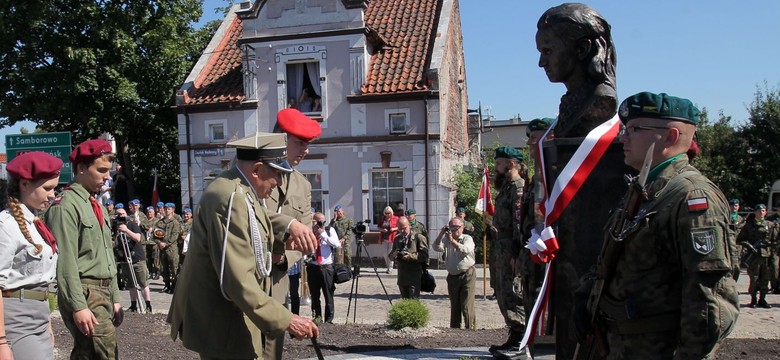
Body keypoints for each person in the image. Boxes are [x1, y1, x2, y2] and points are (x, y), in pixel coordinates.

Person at [578, 92, 739, 358]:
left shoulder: (692, 197)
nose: (622, 138)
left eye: (634, 129)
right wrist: (586, 292)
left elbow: (709, 298)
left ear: (671, 136)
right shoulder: (643, 190)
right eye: (624, 129)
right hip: (621, 345)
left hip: (657, 349)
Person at [168, 132, 319, 359]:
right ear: (257, 169)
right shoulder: (233, 198)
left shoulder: (240, 190)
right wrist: (287, 319)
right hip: (224, 322)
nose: (278, 182)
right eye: (276, 174)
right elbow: (237, 280)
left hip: (230, 317)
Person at [44, 139, 125, 359]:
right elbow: (66, 262)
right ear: (81, 168)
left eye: (109, 171)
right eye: (101, 170)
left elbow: (107, 256)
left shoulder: (95, 204)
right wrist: (78, 306)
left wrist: (115, 298)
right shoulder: (66, 206)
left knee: (87, 354)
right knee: (105, 353)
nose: (107, 177)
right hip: (85, 292)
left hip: (103, 292)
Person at [264, 108, 321, 360]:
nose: (305, 150)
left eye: (307, 144)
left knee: (271, 351)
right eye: (299, 142)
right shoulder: (254, 171)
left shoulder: (302, 184)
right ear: (281, 139)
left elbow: (304, 239)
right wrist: (288, 225)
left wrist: (284, 258)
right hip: (244, 275)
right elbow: (244, 214)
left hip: (277, 281)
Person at [0, 152, 62, 359]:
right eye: (47, 188)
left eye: (54, 188)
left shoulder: (34, 223)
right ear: (25, 184)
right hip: (16, 320)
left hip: (39, 316)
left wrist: (48, 323)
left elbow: (38, 282)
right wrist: (1, 342)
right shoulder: (6, 225)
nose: (53, 194)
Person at [536, 3, 617, 137]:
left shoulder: (601, 100)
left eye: (548, 51)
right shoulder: (573, 101)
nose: (541, 63)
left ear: (581, 49)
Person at [488, 146, 527, 354]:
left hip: (510, 247)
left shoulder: (518, 188)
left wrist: (516, 253)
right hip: (501, 245)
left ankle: (520, 336)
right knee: (502, 291)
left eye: (499, 163)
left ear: (511, 164)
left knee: (512, 292)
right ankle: (514, 333)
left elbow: (519, 223)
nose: (496, 167)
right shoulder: (507, 188)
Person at [433, 217, 476, 329]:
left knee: (466, 305)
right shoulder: (446, 239)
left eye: (456, 227)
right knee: (455, 305)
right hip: (452, 276)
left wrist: (452, 241)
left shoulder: (467, 238)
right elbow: (436, 247)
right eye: (451, 227)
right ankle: (455, 330)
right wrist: (442, 233)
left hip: (467, 274)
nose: (454, 230)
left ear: (462, 228)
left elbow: (465, 249)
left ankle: (471, 328)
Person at [737, 204, 777, 308]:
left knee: (765, 278)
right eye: (759, 211)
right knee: (754, 278)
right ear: (755, 212)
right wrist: (750, 246)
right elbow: (740, 239)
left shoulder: (771, 224)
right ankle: (753, 299)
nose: (761, 212)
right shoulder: (749, 225)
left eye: (763, 211)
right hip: (754, 256)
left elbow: (775, 240)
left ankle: (762, 299)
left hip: (767, 255)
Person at [113, 207, 152, 313]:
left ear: (126, 214)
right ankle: (133, 305)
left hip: (137, 258)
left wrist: (126, 230)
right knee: (130, 284)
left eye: (123, 213)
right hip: (125, 258)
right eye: (118, 214)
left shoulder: (132, 224)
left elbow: (137, 238)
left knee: (143, 282)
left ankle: (148, 305)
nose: (121, 216)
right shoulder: (116, 227)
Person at [307, 212, 341, 323]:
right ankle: (317, 318)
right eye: (318, 221)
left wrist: (323, 235)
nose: (321, 224)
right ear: (314, 221)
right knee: (315, 295)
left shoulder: (329, 230)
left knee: (328, 294)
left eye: (323, 221)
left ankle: (329, 319)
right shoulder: (309, 231)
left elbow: (337, 244)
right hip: (313, 267)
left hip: (326, 267)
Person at [391, 216, 428, 299]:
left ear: (409, 226)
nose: (402, 231)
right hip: (402, 276)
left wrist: (410, 256)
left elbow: (425, 255)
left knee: (413, 302)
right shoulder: (397, 238)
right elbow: (390, 255)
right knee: (404, 302)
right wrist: (394, 255)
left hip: (414, 276)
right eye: (399, 229)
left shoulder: (419, 237)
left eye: (404, 228)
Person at [154, 203, 182, 294]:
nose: (167, 211)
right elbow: (155, 234)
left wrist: (165, 243)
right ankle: (167, 285)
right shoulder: (160, 222)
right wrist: (159, 243)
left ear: (173, 210)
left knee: (174, 268)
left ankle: (175, 286)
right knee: (163, 268)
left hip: (172, 249)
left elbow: (175, 236)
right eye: (165, 209)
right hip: (162, 250)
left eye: (169, 209)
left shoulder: (175, 222)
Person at [141, 205, 160, 280]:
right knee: (147, 258)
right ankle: (150, 271)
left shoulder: (157, 220)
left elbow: (158, 226)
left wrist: (153, 228)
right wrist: (150, 228)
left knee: (156, 258)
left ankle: (157, 271)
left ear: (154, 213)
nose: (149, 214)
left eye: (151, 212)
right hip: (146, 242)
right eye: (148, 212)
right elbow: (143, 225)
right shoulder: (144, 220)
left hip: (154, 242)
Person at [379, 206, 400, 273]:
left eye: (389, 213)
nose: (388, 214)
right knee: (385, 253)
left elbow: (400, 226)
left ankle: (390, 268)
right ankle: (388, 266)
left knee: (390, 253)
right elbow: (378, 227)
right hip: (384, 238)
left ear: (391, 212)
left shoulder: (396, 218)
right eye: (386, 213)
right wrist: (382, 229)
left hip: (392, 238)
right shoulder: (383, 219)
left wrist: (394, 229)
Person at [729, 199, 745, 281]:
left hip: (737, 247)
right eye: (732, 205)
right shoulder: (726, 217)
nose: (734, 207)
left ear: (738, 207)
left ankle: (734, 284)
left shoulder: (742, 220)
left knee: (737, 268)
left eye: (736, 206)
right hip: (727, 245)